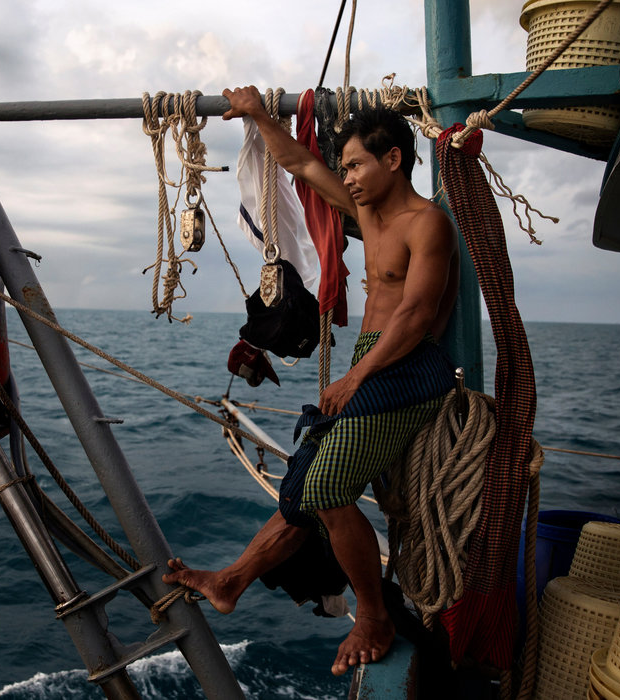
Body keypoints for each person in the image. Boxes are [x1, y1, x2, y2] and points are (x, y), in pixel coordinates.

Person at [164, 85, 459, 677]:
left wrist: (355, 376)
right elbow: (299, 163)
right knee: (302, 488)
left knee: (324, 491)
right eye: (345, 167)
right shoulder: (368, 213)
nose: (345, 178)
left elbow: (417, 315)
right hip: (373, 360)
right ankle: (231, 581)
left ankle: (373, 615)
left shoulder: (428, 224)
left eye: (355, 165)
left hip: (407, 367)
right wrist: (253, 114)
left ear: (393, 160)